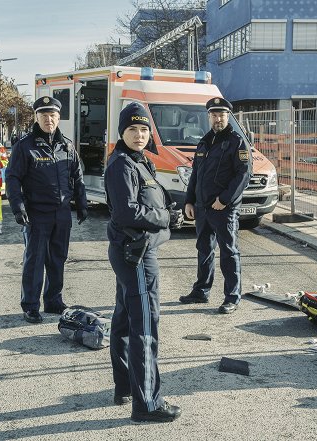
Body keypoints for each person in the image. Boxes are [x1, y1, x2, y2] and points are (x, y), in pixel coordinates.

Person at [105, 102, 183, 423]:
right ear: (122, 132)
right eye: (132, 129)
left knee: (124, 321)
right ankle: (147, 403)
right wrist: (165, 217)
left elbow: (150, 201)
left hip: (134, 251)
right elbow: (127, 212)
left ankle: (125, 385)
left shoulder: (141, 162)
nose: (139, 135)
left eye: (144, 129)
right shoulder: (121, 164)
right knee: (145, 326)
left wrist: (170, 211)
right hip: (135, 255)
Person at [6, 96, 88, 324]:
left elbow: (76, 176)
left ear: (59, 118)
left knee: (58, 259)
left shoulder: (67, 146)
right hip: (36, 214)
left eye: (52, 116)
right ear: (37, 118)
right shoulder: (25, 146)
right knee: (35, 260)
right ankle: (31, 305)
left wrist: (81, 203)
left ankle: (53, 300)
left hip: (61, 213)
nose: (48, 120)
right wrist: (17, 206)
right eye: (44, 116)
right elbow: (12, 178)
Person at [179, 97, 253, 314]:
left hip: (223, 209)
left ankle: (232, 297)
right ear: (209, 117)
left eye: (221, 114)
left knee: (229, 252)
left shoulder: (237, 142)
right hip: (202, 208)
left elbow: (243, 175)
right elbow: (196, 175)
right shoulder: (204, 141)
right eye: (214, 114)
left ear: (227, 116)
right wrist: (189, 201)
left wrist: (225, 199)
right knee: (204, 250)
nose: (218, 118)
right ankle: (201, 291)